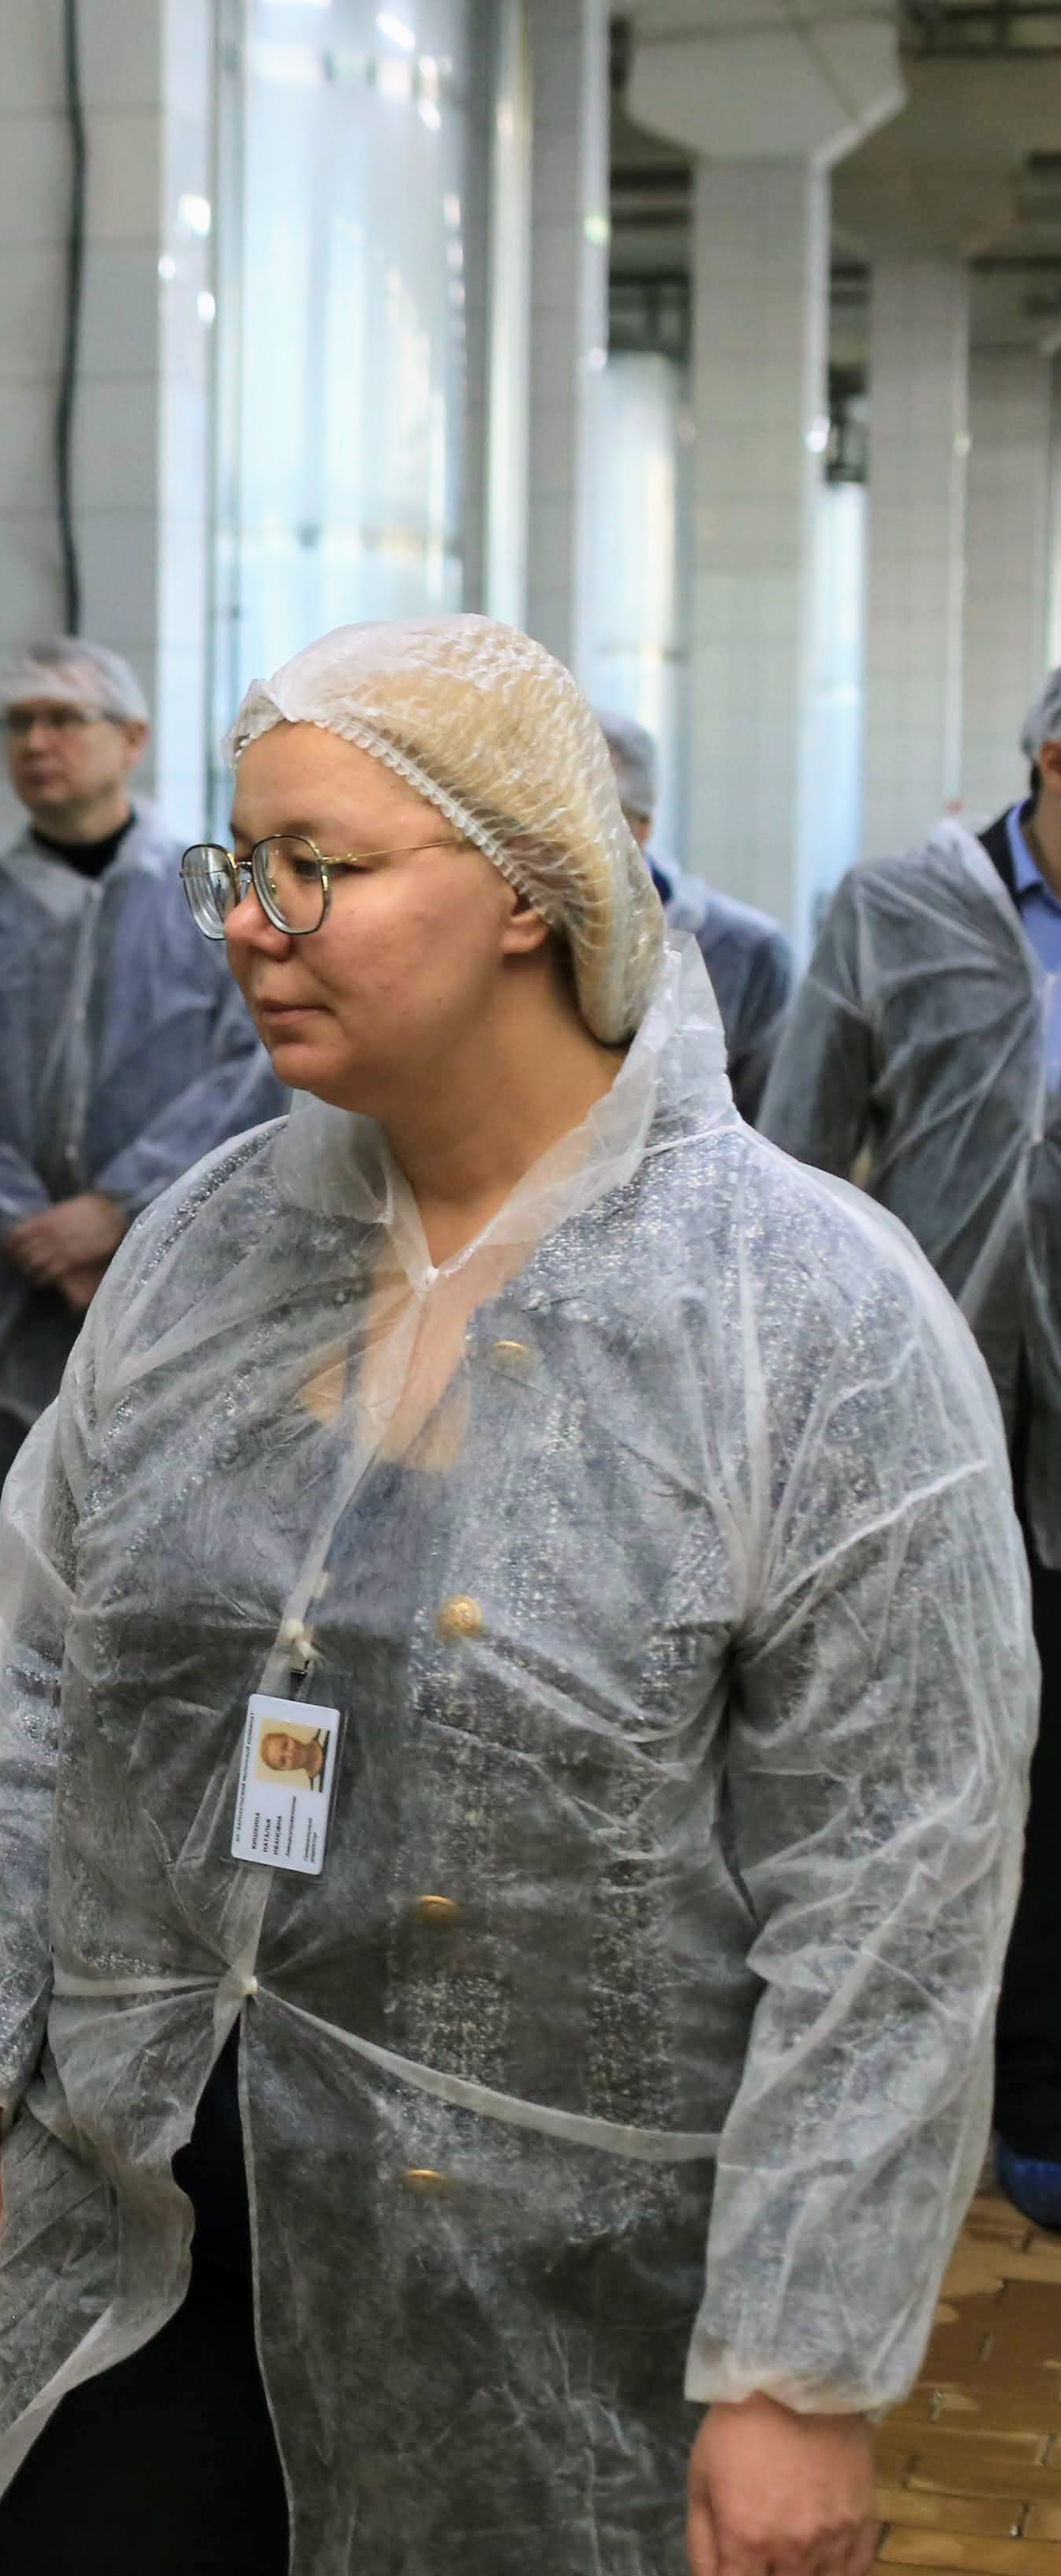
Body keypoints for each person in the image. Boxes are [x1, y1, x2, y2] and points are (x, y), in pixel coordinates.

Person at [0, 615, 1031, 2575]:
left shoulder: (798, 1321)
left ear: (526, 890)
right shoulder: (209, 1253)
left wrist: (794, 2371)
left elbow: (888, 1894)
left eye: (315, 864)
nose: (249, 924)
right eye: (236, 864)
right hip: (148, 2223)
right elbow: (52, 1688)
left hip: (554, 2291)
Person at [768, 661, 1061, 2231]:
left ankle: (1038, 2088)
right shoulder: (893, 909)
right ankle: (885, 2077)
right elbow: (800, 1156)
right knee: (902, 1753)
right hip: (922, 1401)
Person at [0, 638, 276, 1595]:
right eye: (18, 723)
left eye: (62, 719)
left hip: (172, 1299)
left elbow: (254, 1064)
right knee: (2, 1593)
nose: (35, 742)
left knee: (167, 1584)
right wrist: (33, 1232)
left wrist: (119, 1209)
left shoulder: (214, 905)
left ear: (130, 739)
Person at [599, 708, 794, 1120]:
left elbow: (772, 1127)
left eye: (596, 818)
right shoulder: (516, 938)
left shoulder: (745, 951)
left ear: (643, 827)